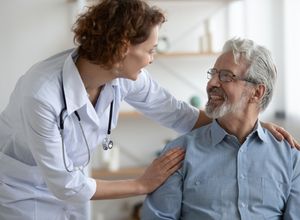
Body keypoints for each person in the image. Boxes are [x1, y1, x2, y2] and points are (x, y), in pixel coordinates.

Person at [0, 0, 296, 219]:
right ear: (121, 49)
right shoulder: (42, 94)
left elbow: (181, 114)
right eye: (151, 50)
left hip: (74, 188)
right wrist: (142, 183)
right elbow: (65, 186)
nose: (152, 59)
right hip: (23, 193)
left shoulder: (124, 78)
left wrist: (251, 128)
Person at [141, 38, 300, 219]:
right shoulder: (179, 154)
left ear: (257, 92)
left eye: (225, 76)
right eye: (213, 74)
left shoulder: (290, 157)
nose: (212, 83)